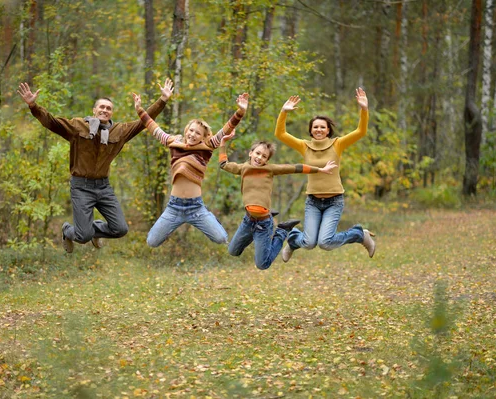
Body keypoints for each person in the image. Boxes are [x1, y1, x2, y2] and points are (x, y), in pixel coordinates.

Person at [17, 78, 174, 253]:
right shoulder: (78, 126)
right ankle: (68, 230)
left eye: (109, 108)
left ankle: (96, 229)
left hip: (103, 187)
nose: (105, 110)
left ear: (111, 113)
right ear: (94, 110)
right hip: (81, 187)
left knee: (120, 229)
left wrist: (163, 100)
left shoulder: (119, 131)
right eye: (102, 107)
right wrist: (33, 106)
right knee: (83, 236)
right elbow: (52, 122)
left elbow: (143, 123)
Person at [131, 91, 248, 247]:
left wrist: (240, 112)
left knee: (221, 238)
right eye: (191, 130)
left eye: (198, 133)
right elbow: (153, 127)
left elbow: (226, 129)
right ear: (186, 130)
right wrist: (139, 109)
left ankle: (209, 218)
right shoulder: (173, 142)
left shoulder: (207, 146)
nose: (193, 134)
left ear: (203, 136)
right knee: (152, 242)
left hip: (196, 207)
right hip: (174, 207)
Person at [275, 88, 376, 262]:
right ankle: (293, 240)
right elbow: (280, 134)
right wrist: (283, 112)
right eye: (315, 127)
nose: (319, 129)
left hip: (334, 201)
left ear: (328, 130)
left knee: (325, 243)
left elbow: (361, 132)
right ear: (311, 130)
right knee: (308, 243)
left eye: (323, 127)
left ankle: (359, 234)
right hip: (313, 201)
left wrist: (364, 110)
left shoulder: (337, 144)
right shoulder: (304, 146)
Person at [219, 134, 338, 270]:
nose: (259, 158)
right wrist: (222, 143)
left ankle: (282, 230)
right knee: (232, 251)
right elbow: (223, 164)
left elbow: (294, 168)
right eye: (257, 153)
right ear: (251, 153)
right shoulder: (243, 168)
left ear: (267, 160)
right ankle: (269, 218)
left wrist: (320, 170)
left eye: (264, 156)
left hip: (263, 224)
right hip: (248, 220)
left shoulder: (270, 169)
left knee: (262, 264)